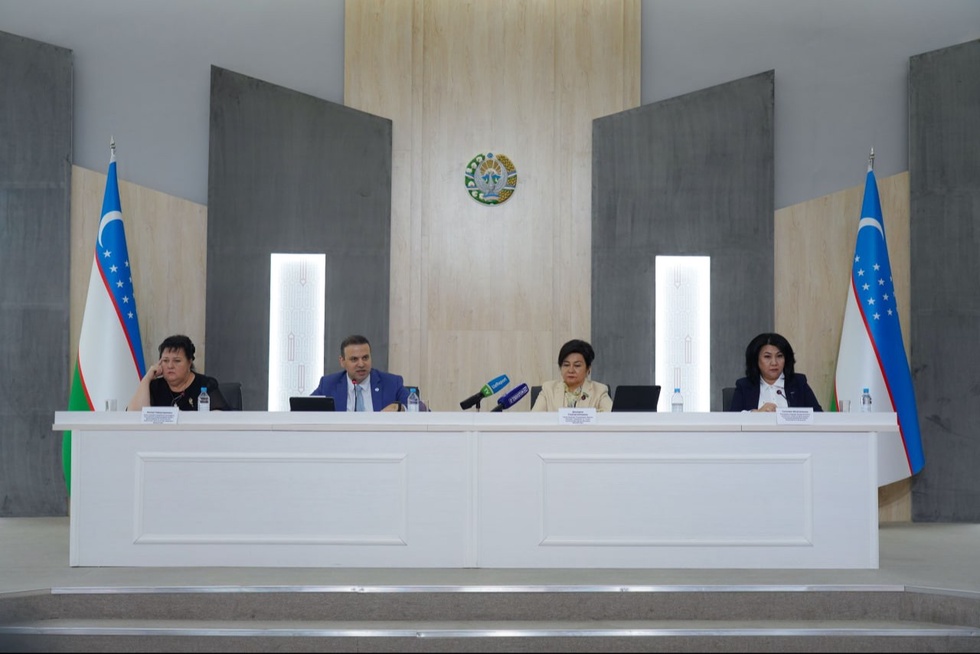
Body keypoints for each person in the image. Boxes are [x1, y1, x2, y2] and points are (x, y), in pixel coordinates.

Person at [311, 334, 420, 412]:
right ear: (342, 361)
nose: (361, 364)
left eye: (365, 358)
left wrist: (400, 408)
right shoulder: (328, 384)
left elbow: (421, 408)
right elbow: (304, 409)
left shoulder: (391, 383)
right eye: (354, 359)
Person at [127, 334, 228, 411]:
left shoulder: (205, 384)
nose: (170, 366)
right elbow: (133, 415)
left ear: (189, 362)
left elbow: (220, 416)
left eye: (177, 361)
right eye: (165, 360)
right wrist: (147, 378)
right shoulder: (155, 387)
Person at [729, 332, 822, 412]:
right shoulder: (744, 386)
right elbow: (733, 419)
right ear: (755, 360)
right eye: (767, 357)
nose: (774, 363)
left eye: (779, 356)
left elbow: (818, 415)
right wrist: (756, 413)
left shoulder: (799, 383)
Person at [531, 339, 613, 412]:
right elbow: (534, 419)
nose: (571, 370)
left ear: (588, 369)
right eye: (566, 365)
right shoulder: (548, 389)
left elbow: (612, 417)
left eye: (577, 365)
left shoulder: (599, 391)